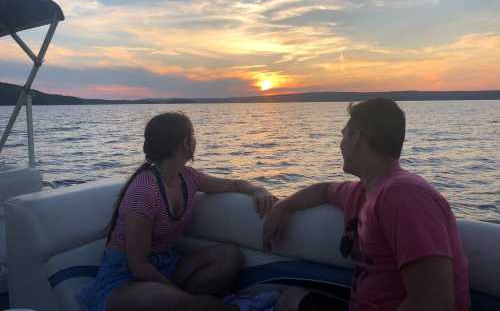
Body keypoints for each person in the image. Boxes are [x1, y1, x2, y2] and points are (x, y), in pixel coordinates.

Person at [263, 98, 470, 311]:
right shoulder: (363, 191)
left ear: (357, 137)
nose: (340, 144)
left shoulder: (405, 196)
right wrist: (283, 206)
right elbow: (324, 190)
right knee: (290, 297)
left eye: (344, 135)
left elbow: (435, 303)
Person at [76, 112, 278, 311]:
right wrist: (181, 297)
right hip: (125, 279)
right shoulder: (144, 191)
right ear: (185, 143)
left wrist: (257, 189)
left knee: (230, 256)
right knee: (186, 304)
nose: (196, 140)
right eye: (193, 136)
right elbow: (138, 265)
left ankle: (192, 302)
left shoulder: (188, 177)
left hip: (166, 265)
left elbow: (234, 185)